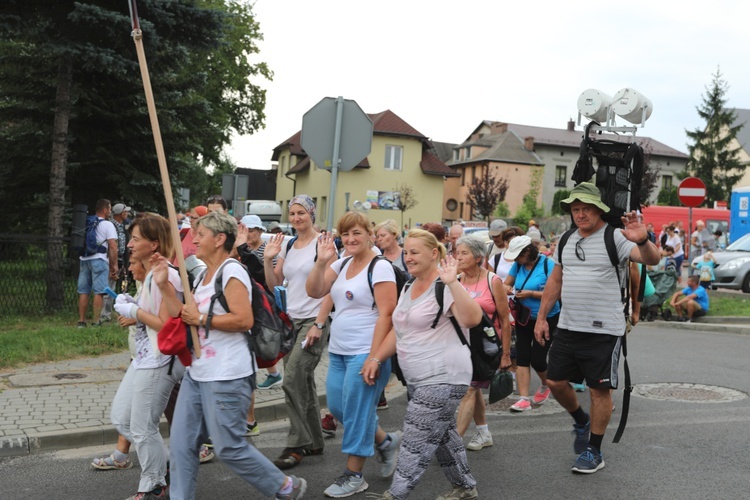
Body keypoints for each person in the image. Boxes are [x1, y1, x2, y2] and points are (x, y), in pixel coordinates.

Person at [168, 211, 307, 500]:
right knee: (181, 446)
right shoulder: (201, 276)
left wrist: (202, 318)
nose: (194, 239)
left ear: (220, 239)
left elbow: (243, 320)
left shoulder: (232, 271)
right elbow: (186, 315)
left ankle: (285, 487)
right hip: (198, 373)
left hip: (228, 375)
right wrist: (160, 284)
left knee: (229, 447)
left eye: (201, 234)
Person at [534, 182, 659, 474]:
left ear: (599, 209)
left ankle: (594, 450)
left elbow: (651, 259)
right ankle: (581, 420)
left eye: (586, 209)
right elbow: (555, 280)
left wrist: (642, 240)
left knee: (598, 391)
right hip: (568, 326)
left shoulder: (615, 237)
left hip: (605, 331)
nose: (580, 214)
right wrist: (542, 317)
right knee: (554, 382)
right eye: (575, 210)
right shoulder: (565, 240)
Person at [363, 229, 483, 500]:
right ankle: (464, 486)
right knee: (443, 437)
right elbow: (399, 329)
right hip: (418, 377)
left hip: (444, 375)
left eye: (414, 252)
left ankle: (396, 494)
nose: (408, 257)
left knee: (416, 437)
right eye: (406, 252)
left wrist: (453, 283)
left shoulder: (444, 283)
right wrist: (376, 358)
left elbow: (473, 318)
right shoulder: (407, 285)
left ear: (433, 254)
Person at [306, 212, 401, 497]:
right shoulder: (342, 261)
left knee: (358, 413)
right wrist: (321, 261)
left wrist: (374, 357)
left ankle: (354, 475)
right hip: (338, 351)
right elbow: (314, 291)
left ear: (369, 233)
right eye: (346, 234)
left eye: (357, 233)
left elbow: (387, 313)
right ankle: (385, 443)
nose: (351, 239)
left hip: (365, 352)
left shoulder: (380, 266)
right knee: (339, 409)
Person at [106, 213, 185, 499]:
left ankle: (151, 485)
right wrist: (133, 304)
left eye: (135, 239)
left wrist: (134, 312)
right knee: (121, 419)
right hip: (142, 357)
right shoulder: (150, 274)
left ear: (154, 245)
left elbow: (166, 324)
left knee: (141, 426)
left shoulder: (168, 275)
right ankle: (160, 465)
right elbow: (150, 315)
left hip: (160, 361)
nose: (129, 244)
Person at [263, 195, 333, 470]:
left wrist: (319, 323)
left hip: (313, 320)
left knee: (292, 379)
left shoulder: (323, 244)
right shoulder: (289, 245)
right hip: (289, 322)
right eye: (292, 213)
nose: (296, 218)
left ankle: (296, 444)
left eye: (301, 212)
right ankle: (315, 441)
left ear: (312, 214)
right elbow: (275, 284)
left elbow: (331, 288)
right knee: (304, 383)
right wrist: (268, 261)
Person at [454, 235, 511, 450]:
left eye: (464, 253)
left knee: (469, 390)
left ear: (478, 257)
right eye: (457, 253)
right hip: (459, 344)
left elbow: (505, 319)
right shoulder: (456, 280)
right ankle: (483, 432)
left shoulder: (492, 281)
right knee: (474, 389)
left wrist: (506, 354)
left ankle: (454, 442)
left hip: (484, 346)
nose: (458, 257)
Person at [503, 235, 560, 412]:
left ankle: (545, 384)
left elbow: (557, 293)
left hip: (547, 317)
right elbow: (506, 284)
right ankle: (523, 398)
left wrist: (531, 294)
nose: (517, 260)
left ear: (528, 251)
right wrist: (508, 289)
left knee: (538, 359)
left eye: (518, 255)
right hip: (524, 316)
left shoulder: (548, 264)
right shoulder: (518, 265)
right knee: (522, 356)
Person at [77, 199, 119, 327]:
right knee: (99, 292)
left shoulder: (86, 222)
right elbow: (112, 246)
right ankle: (96, 321)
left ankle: (81, 321)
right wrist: (114, 265)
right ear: (105, 210)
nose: (110, 211)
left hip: (84, 259)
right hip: (99, 259)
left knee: (84, 291)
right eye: (110, 209)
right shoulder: (107, 224)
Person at [101, 203, 132, 322]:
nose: (127, 214)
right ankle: (104, 314)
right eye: (125, 212)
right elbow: (112, 246)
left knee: (114, 287)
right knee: (108, 287)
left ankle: (108, 313)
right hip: (112, 261)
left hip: (120, 261)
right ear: (120, 213)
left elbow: (124, 246)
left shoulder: (122, 226)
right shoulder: (112, 226)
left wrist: (125, 262)